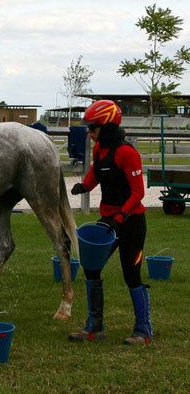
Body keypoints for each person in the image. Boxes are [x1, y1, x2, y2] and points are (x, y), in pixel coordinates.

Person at [69, 100, 153, 345]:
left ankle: (143, 331)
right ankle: (94, 327)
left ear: (106, 126)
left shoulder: (127, 153)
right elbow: (97, 172)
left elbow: (138, 192)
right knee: (92, 267)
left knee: (131, 274)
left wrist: (120, 217)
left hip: (131, 222)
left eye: (93, 128)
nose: (89, 132)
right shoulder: (99, 149)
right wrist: (85, 185)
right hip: (108, 221)